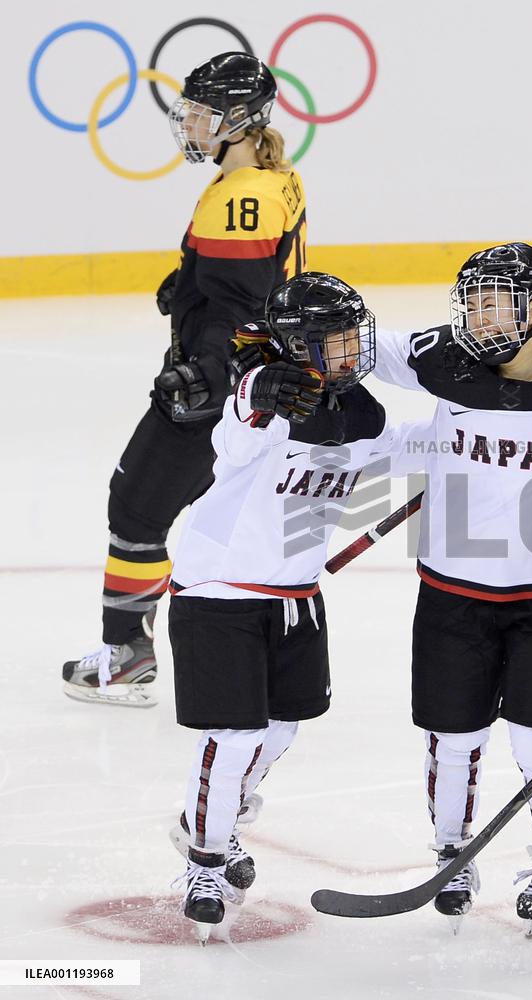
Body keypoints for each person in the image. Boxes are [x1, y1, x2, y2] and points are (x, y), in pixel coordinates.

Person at [167, 272, 426, 943]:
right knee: (235, 736)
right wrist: (259, 390)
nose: (348, 353)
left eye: (351, 339)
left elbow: (392, 448)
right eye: (332, 342)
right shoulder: (262, 398)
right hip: (220, 591)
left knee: (280, 730)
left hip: (295, 594)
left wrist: (471, 437)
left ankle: (211, 818)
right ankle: (205, 857)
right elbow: (238, 430)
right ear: (296, 346)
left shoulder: (358, 411)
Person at [373, 242, 532, 933]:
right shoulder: (440, 358)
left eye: (496, 303)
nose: (479, 319)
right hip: (454, 592)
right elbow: (349, 344)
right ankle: (452, 851)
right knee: (452, 736)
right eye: (471, 303)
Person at [62, 52, 307, 707]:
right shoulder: (270, 176)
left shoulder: (243, 196)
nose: (191, 123)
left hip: (219, 389)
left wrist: (206, 374)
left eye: (204, 112)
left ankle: (128, 658)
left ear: (242, 119)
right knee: (202, 523)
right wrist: (193, 284)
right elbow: (255, 284)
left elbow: (238, 307)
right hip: (246, 386)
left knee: (137, 509)